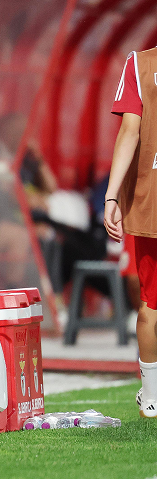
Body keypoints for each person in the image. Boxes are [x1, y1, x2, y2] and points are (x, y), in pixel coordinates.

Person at [103, 49, 157, 418]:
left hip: (152, 198)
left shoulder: (141, 64)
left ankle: (152, 398)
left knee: (152, 302)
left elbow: (130, 130)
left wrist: (111, 194)